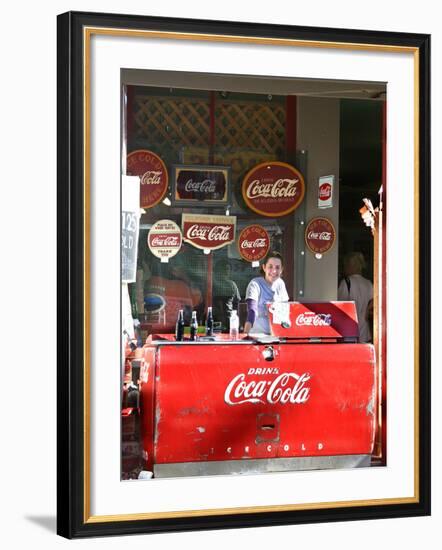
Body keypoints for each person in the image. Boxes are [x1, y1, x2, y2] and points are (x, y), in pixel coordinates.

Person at [244, 251, 289, 335]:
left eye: (277, 267)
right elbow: (252, 311)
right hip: (258, 336)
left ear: (282, 270)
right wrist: (245, 336)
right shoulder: (255, 284)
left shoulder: (281, 284)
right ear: (264, 267)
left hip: (277, 335)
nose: (274, 271)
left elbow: (286, 312)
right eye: (270, 267)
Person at [338, 251, 373, 343]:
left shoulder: (346, 282)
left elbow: (340, 307)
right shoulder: (369, 284)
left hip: (350, 332)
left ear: (350, 266)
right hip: (365, 334)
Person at [212, 259, 241, 330]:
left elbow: (237, 303)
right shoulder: (211, 284)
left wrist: (236, 319)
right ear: (218, 270)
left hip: (229, 318)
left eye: (228, 269)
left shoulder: (232, 285)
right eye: (223, 269)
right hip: (214, 317)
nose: (226, 271)